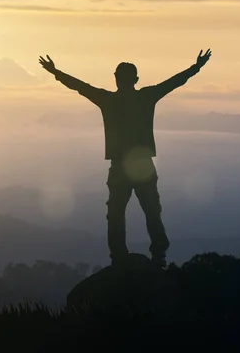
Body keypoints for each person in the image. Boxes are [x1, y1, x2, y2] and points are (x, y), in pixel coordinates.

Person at [39, 49, 212, 267]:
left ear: (116, 79)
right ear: (136, 80)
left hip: (119, 166)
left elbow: (80, 87)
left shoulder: (107, 100)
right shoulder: (146, 97)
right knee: (151, 211)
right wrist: (196, 67)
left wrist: (56, 72)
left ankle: (118, 257)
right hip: (143, 165)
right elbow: (174, 82)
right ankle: (158, 257)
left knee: (116, 214)